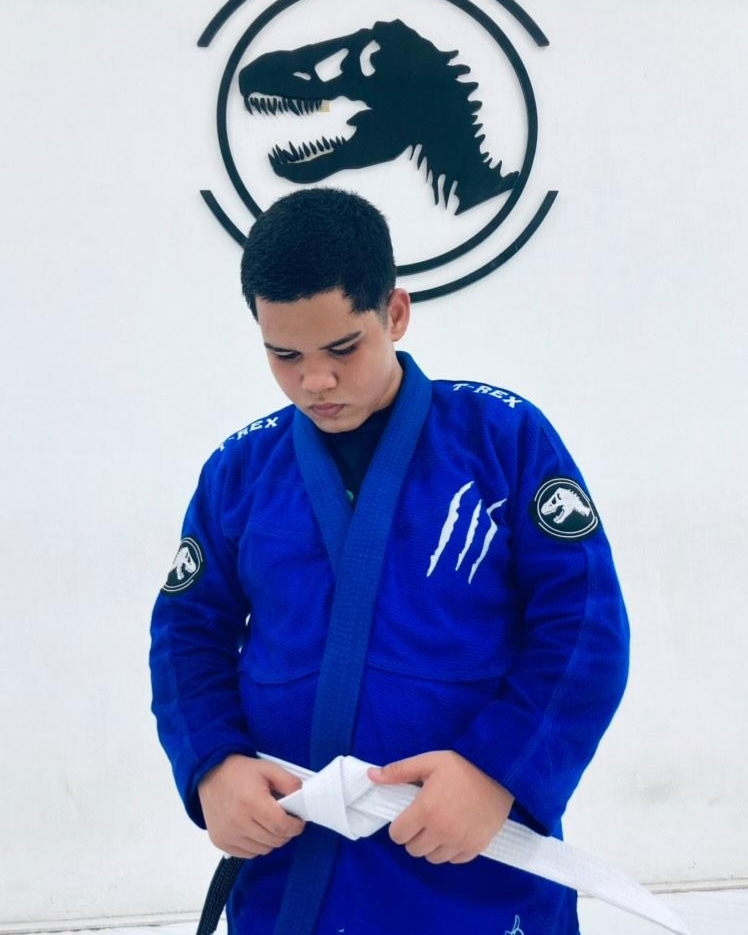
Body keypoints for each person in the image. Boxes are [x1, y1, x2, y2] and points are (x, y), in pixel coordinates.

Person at [150, 187, 629, 934]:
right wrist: (214, 762)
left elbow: (584, 628)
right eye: (285, 355)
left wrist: (497, 771)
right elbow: (187, 634)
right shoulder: (240, 472)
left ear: (395, 313)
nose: (315, 380)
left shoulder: (502, 440)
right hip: (295, 861)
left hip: (471, 854)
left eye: (343, 349)